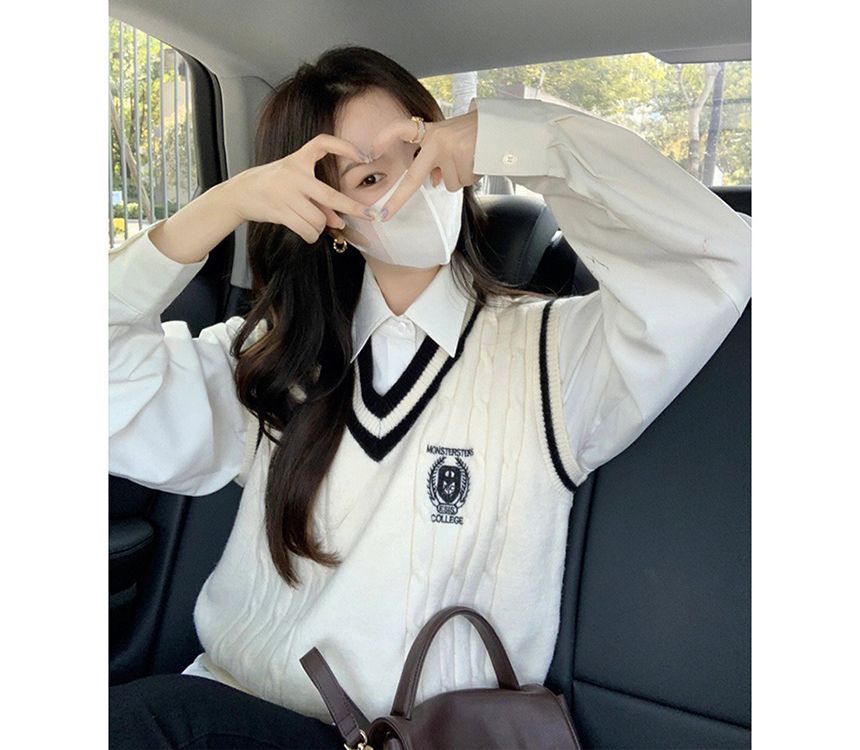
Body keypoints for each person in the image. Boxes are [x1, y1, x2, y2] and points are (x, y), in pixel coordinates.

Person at [109, 44, 751, 749]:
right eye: (372, 176)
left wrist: (522, 138)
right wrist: (224, 204)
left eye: (419, 149)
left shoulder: (553, 354)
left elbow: (718, 264)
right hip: (228, 708)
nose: (415, 185)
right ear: (326, 215)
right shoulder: (275, 361)